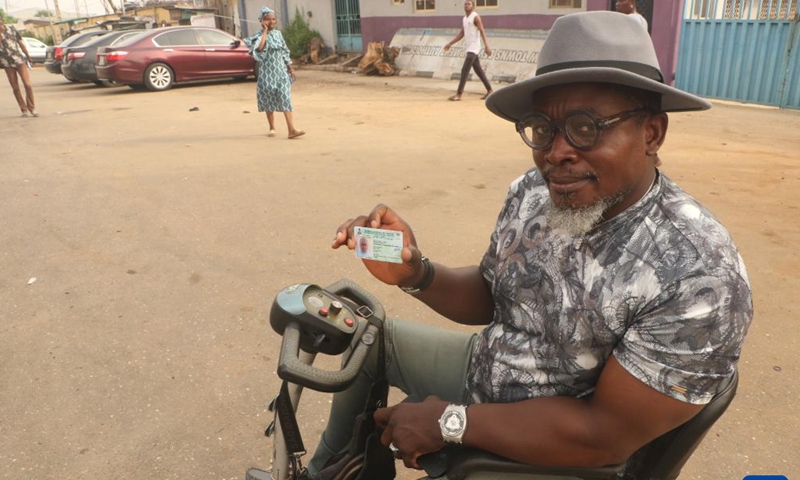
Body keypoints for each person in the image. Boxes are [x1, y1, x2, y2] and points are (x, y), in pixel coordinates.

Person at [305, 11, 753, 479]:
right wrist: (416, 273)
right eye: (542, 128)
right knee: (367, 339)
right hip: (487, 369)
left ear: (652, 133)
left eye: (586, 127)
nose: (556, 151)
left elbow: (603, 435)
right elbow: (493, 291)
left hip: (554, 451)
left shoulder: (697, 273)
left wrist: (449, 422)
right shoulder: (535, 192)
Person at [244, 7, 305, 139]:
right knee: (268, 100)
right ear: (262, 21)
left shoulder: (278, 34)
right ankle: (272, 127)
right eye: (268, 19)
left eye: (273, 19)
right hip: (266, 73)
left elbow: (284, 50)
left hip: (281, 72)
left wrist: (290, 67)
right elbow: (260, 48)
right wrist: (265, 31)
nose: (271, 21)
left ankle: (291, 129)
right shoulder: (259, 35)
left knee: (285, 98)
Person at [443, 0, 493, 102]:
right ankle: (490, 90)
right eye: (465, 4)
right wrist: (450, 43)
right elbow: (461, 34)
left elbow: (482, 31)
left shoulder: (475, 17)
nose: (466, 5)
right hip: (469, 47)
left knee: (464, 70)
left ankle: (459, 94)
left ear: (473, 6)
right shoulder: (465, 19)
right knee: (478, 70)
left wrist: (487, 46)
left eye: (469, 4)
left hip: (474, 48)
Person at [0, 16, 37, 117]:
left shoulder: (12, 29)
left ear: (3, 21)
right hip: (7, 63)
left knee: (27, 84)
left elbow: (20, 43)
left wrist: (28, 56)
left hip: (19, 60)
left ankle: (32, 108)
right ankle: (23, 109)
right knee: (15, 87)